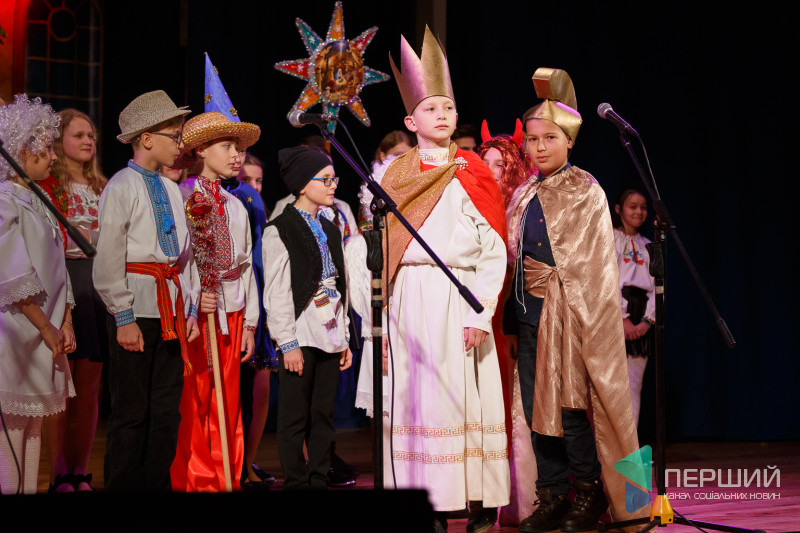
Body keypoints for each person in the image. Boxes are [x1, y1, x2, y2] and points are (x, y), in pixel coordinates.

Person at [380, 27, 510, 533]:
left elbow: (493, 250)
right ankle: (428, 501)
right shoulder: (396, 175)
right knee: (418, 401)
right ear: (410, 121)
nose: (442, 115)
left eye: (449, 108)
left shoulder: (470, 170)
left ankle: (476, 499)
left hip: (459, 297)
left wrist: (481, 312)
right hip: (410, 299)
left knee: (464, 398)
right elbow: (388, 252)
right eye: (431, 108)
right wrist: (386, 320)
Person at [504, 68, 642, 532]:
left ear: (568, 141)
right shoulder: (523, 194)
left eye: (549, 138)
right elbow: (513, 258)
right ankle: (551, 493)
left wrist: (581, 315)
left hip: (571, 319)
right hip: (529, 316)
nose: (539, 147)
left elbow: (597, 268)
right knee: (535, 410)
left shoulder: (586, 191)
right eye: (532, 139)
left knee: (571, 408)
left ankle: (588, 490)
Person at [93, 90, 200, 492]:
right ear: (148, 138)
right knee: (131, 413)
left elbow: (183, 258)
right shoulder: (121, 186)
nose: (180, 144)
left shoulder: (172, 190)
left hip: (169, 312)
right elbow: (108, 256)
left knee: (165, 413)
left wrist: (190, 310)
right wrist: (123, 316)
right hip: (137, 311)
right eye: (175, 135)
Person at [169, 112, 261, 492]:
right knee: (198, 394)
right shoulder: (183, 196)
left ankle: (226, 477)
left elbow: (246, 265)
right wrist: (194, 300)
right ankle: (197, 478)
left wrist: (250, 323)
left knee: (228, 397)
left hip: (233, 311)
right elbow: (182, 259)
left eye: (238, 148)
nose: (236, 155)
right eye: (227, 146)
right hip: (200, 312)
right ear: (202, 150)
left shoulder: (235, 204)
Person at [262, 145, 353, 490]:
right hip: (300, 331)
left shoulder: (329, 228)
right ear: (302, 184)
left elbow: (340, 287)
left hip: (329, 330)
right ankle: (296, 483)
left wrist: (344, 337)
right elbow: (277, 290)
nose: (333, 186)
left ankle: (318, 479)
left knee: (322, 414)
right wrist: (287, 342)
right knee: (294, 415)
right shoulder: (280, 229)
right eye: (325, 179)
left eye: (334, 179)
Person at [0, 94, 76, 495]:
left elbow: (58, 267)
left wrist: (65, 320)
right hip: (18, 332)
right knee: (11, 435)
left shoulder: (38, 199)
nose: (53, 156)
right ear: (19, 150)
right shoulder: (3, 200)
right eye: (45, 148)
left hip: (44, 332)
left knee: (31, 432)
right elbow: (12, 271)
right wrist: (46, 325)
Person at [38, 108, 108, 493]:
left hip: (97, 282)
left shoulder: (104, 186)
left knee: (89, 384)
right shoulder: (50, 185)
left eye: (91, 135)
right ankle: (59, 472)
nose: (88, 141)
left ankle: (80, 470)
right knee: (61, 384)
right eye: (79, 135)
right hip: (63, 278)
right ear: (59, 140)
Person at [476, 119, 539, 527]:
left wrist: (512, 325)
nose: (491, 171)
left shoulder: (521, 206)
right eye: (485, 162)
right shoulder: (474, 203)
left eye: (500, 164)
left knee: (512, 404)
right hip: (481, 314)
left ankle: (520, 497)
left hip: (510, 316)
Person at [220, 149, 279, 489]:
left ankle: (247, 461)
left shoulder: (256, 207)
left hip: (260, 303)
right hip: (237, 303)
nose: (253, 187)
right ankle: (236, 465)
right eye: (246, 180)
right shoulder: (234, 202)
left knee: (260, 391)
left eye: (259, 181)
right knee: (240, 391)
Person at [612, 189, 655, 427]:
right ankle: (608, 445)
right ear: (619, 209)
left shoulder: (648, 246)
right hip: (615, 313)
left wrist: (648, 320)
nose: (639, 211)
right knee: (611, 387)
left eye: (643, 207)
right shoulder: (611, 239)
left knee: (633, 385)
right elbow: (608, 280)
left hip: (641, 316)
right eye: (632, 206)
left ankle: (630, 444)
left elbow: (658, 287)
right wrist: (622, 317)